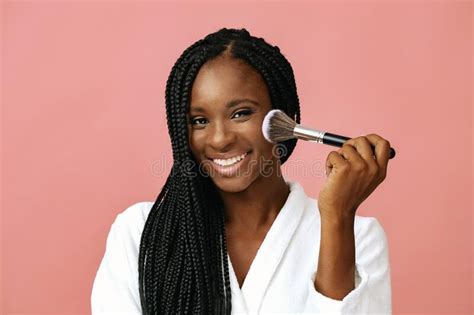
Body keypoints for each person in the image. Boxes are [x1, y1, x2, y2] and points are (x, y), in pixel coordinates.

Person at [91, 28, 392, 314]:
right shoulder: (140, 233)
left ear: (283, 118)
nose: (220, 138)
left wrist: (338, 216)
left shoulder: (360, 236)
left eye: (241, 113)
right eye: (199, 121)